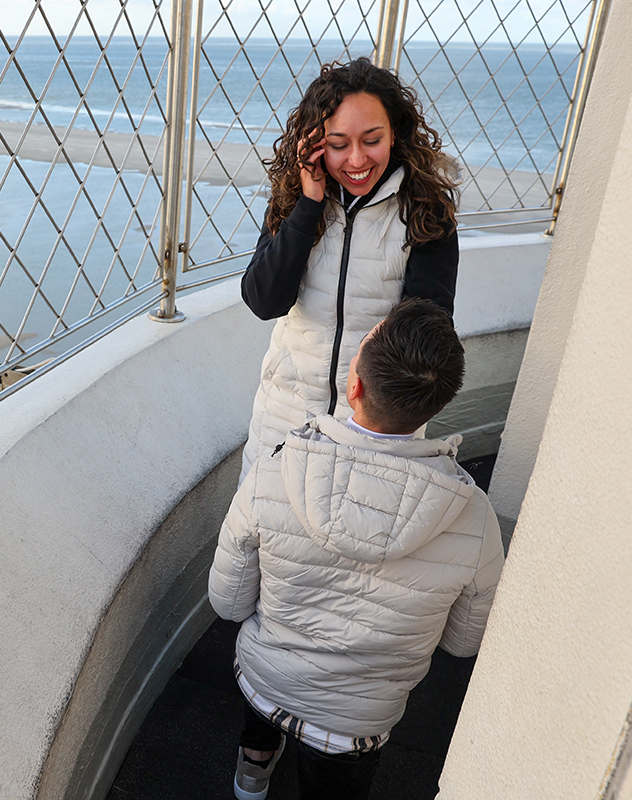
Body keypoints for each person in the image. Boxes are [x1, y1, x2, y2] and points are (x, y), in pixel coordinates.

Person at [209, 299, 503, 800]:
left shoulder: (273, 474)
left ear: (354, 386)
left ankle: (252, 775)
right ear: (437, 403)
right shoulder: (474, 517)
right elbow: (462, 642)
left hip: (267, 678)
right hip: (359, 720)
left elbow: (229, 602)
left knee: (261, 711)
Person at [240, 57, 459, 479]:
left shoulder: (427, 212)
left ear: (395, 132)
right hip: (283, 416)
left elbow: (427, 330)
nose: (356, 159)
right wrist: (308, 205)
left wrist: (372, 419)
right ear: (314, 144)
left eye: (371, 139)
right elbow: (264, 301)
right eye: (338, 144)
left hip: (377, 430)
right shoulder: (295, 200)